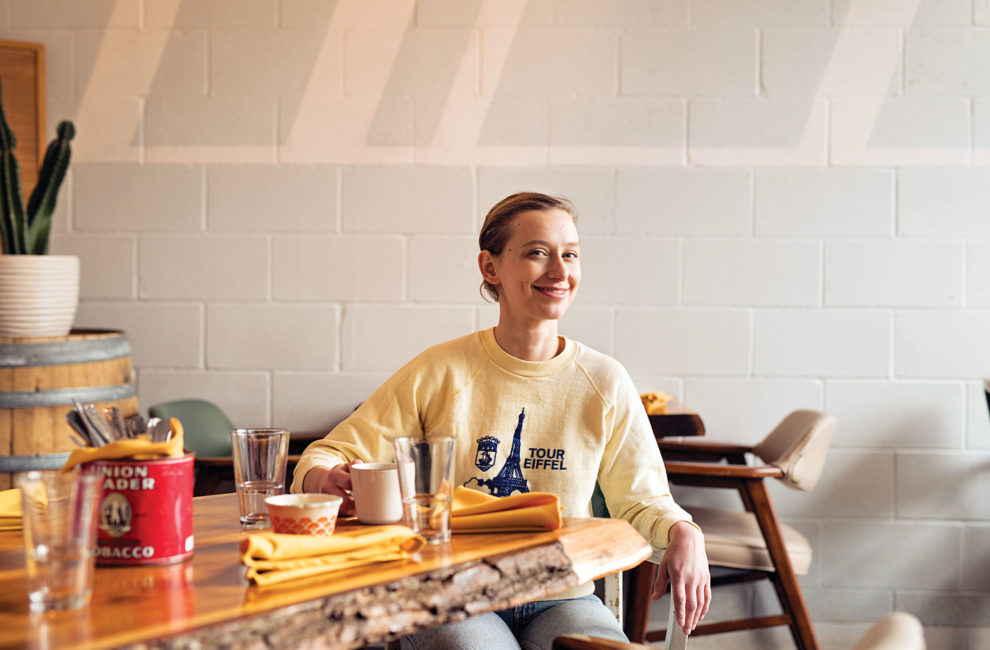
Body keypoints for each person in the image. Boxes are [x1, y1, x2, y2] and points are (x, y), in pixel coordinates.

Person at [292, 192, 711, 650]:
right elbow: (328, 454)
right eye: (537, 253)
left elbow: (641, 500)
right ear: (490, 268)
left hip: (562, 596)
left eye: (570, 255)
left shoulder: (606, 381)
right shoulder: (440, 371)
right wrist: (323, 477)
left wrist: (683, 531)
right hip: (453, 594)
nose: (559, 271)